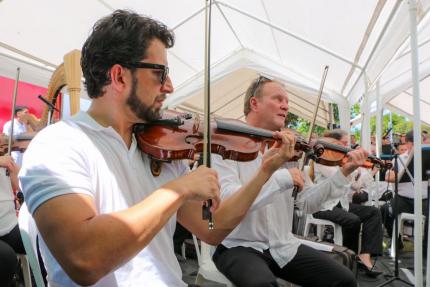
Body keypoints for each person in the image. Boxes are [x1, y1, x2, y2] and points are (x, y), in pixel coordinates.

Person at [18, 10, 297, 287]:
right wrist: (179, 190)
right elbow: (84, 259)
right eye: (160, 73)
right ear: (119, 77)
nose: (170, 86)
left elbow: (212, 230)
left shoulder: (160, 150)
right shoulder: (58, 144)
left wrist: (264, 172)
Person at [210, 76, 369, 287]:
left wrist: (344, 173)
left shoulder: (289, 150)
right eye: (277, 99)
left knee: (344, 280)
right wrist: (280, 176)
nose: (285, 105)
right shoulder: (225, 147)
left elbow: (306, 203)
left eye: (286, 101)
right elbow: (228, 199)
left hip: (282, 244)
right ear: (254, 103)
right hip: (237, 245)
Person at [313, 129, 383, 277]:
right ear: (333, 142)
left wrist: (371, 172)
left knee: (373, 212)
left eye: (347, 143)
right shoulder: (322, 157)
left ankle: (364, 256)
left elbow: (356, 187)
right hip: (323, 205)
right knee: (352, 220)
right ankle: (347, 257)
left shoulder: (342, 159)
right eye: (344, 143)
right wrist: (354, 167)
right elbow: (339, 177)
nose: (347, 146)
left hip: (341, 204)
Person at [380, 130, 428, 251]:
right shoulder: (399, 159)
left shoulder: (427, 157)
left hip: (424, 199)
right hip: (403, 199)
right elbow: (387, 177)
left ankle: (426, 248)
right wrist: (405, 170)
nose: (422, 145)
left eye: (423, 142)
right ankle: (397, 241)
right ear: (408, 143)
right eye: (419, 143)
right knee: (385, 210)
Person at [0, 135, 26, 286]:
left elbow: (21, 187)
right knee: (6, 259)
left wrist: (18, 174)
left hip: (9, 226)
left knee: (43, 241)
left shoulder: (5, 157)